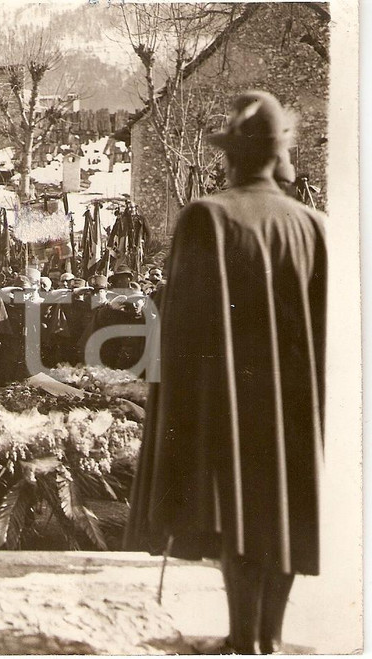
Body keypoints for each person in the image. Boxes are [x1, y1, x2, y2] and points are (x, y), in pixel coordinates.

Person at [125, 91, 327, 654]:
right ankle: (270, 637)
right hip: (296, 401)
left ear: (231, 157)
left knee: (239, 507)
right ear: (278, 156)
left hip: (230, 397)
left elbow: (183, 327)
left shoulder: (207, 217)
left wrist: (175, 411)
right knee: (282, 507)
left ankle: (243, 638)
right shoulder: (315, 226)